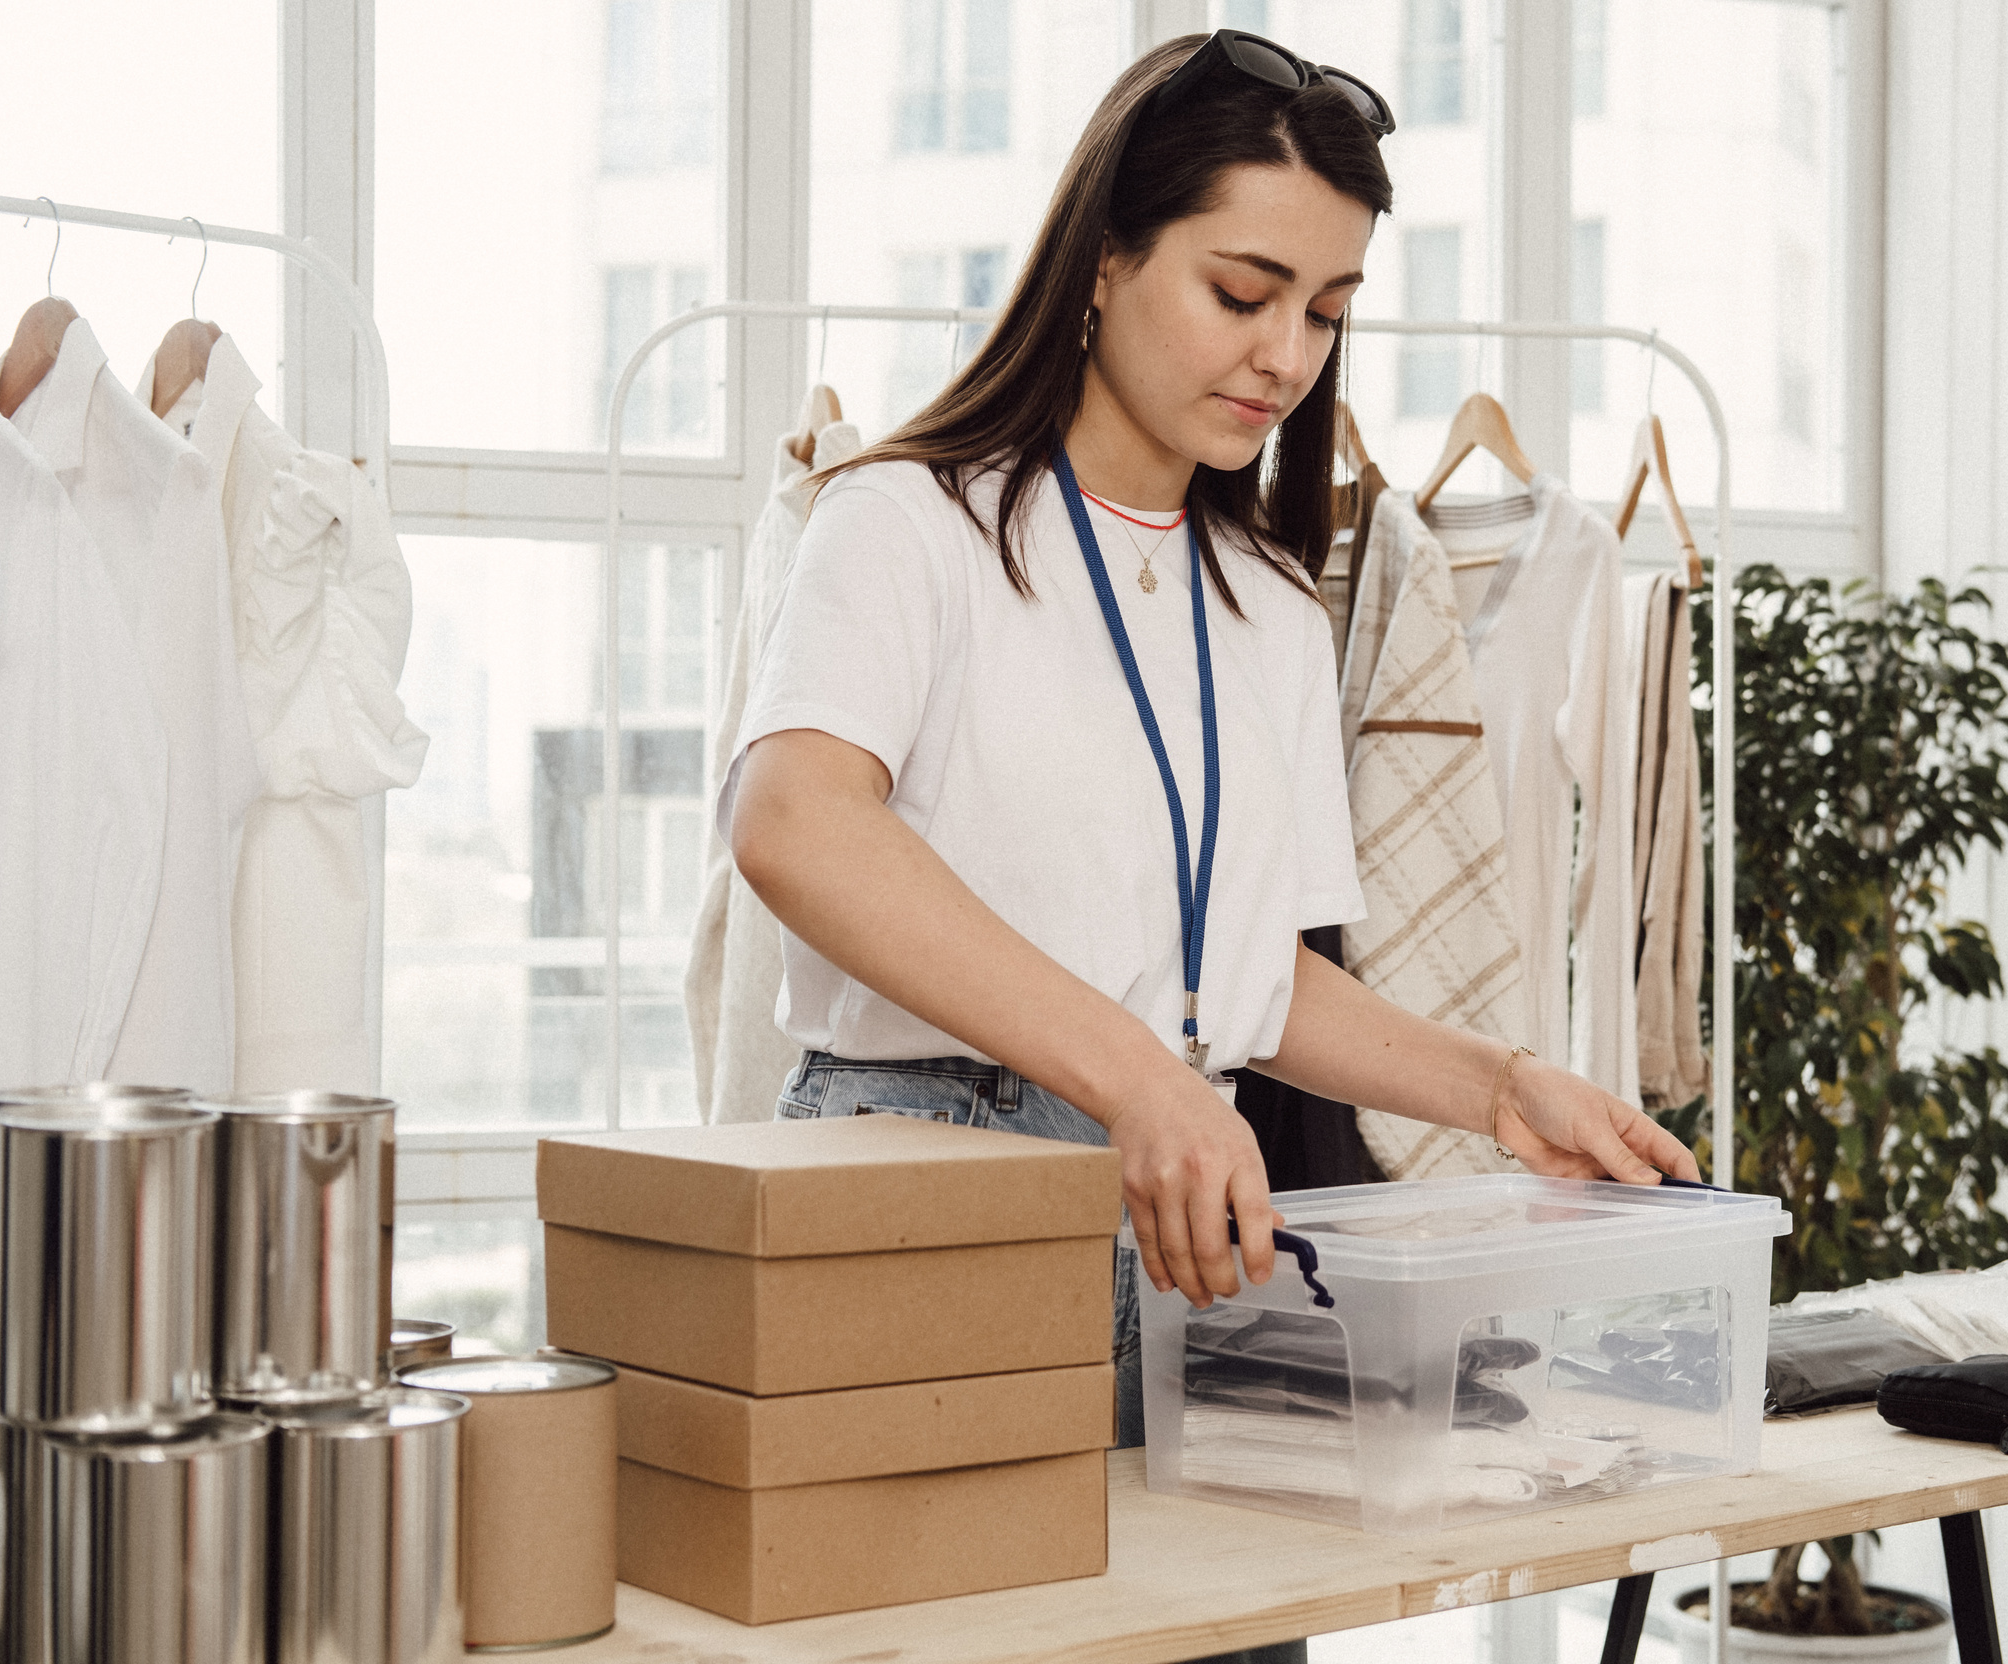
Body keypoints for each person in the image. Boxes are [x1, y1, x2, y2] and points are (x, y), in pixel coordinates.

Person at [726, 31, 1698, 1663]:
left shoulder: (1266, 602)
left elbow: (1250, 983)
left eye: (1327, 311)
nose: (1285, 355)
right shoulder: (907, 520)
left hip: (1193, 1227)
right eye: (1243, 293)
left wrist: (1495, 1083)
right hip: (925, 1195)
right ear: (1105, 257)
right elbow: (794, 823)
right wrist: (1143, 1082)